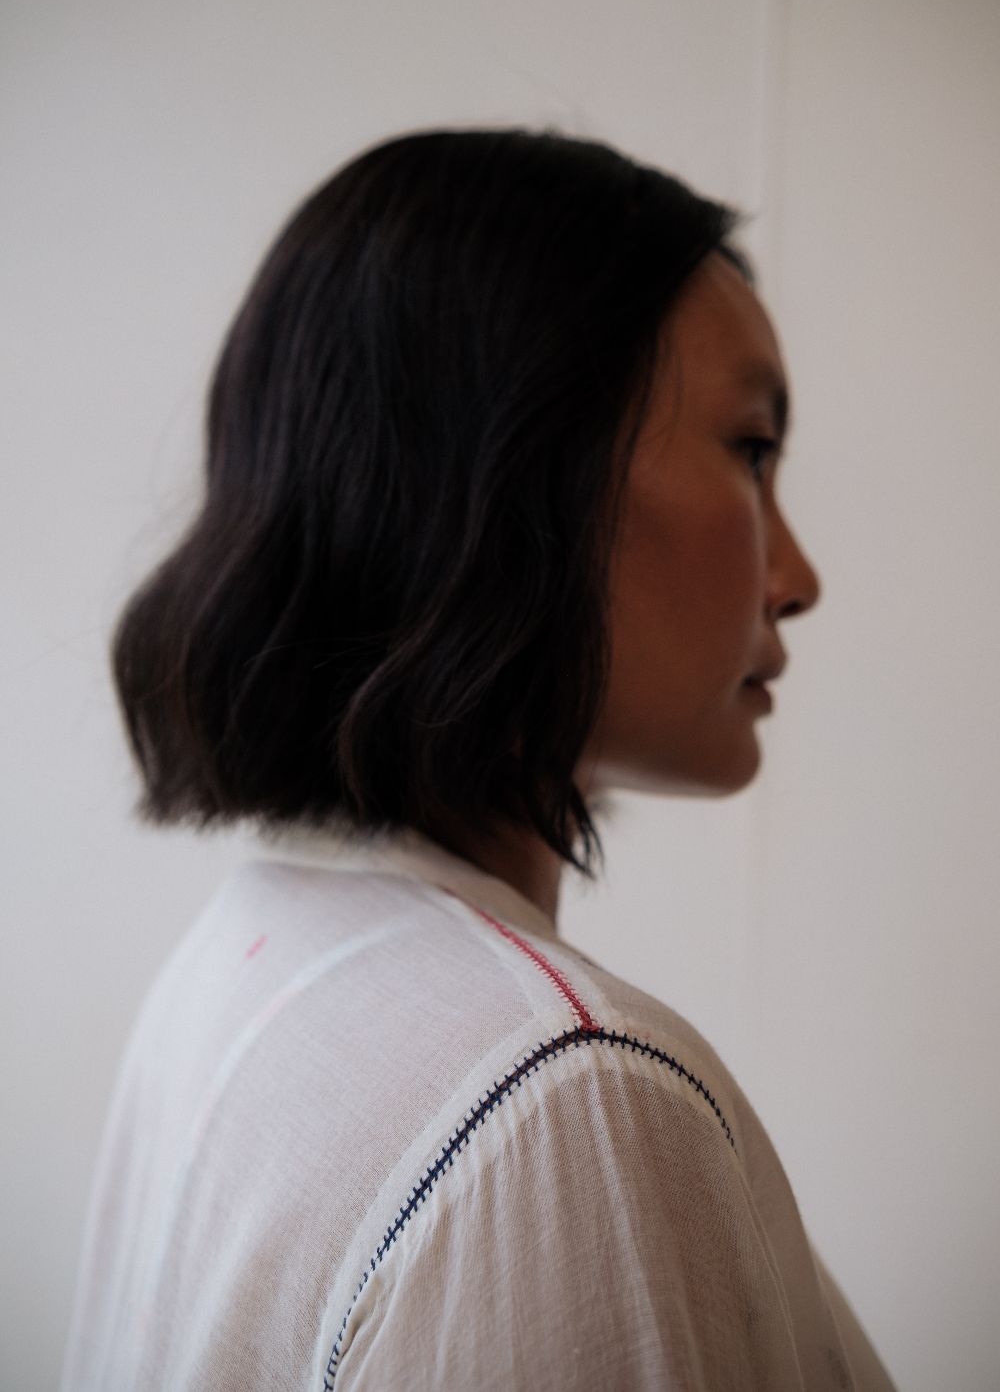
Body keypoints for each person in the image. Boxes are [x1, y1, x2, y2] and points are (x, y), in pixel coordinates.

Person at [60, 128, 897, 1390]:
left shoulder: (261, 949)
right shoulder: (567, 1103)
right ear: (511, 475)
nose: (798, 576)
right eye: (748, 449)